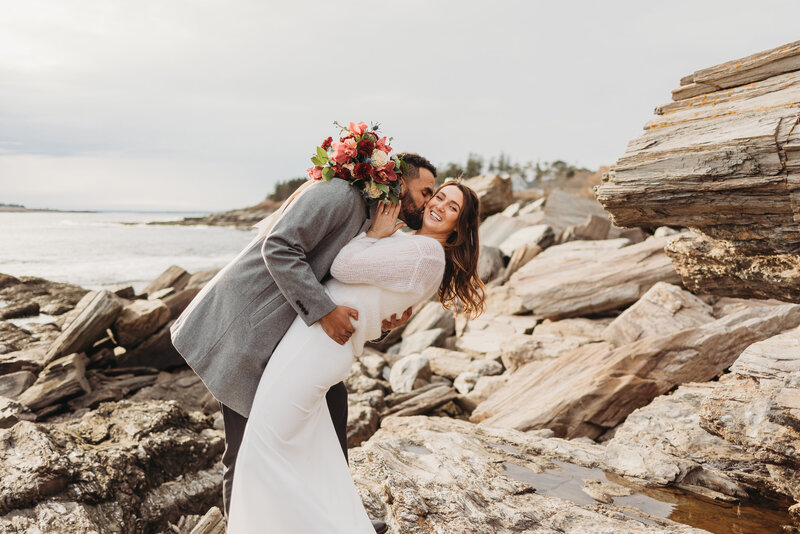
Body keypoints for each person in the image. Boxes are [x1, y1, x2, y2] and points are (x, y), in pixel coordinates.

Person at [170, 153, 437, 534]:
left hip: (295, 338)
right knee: (246, 448)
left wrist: (385, 324)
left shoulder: (379, 223)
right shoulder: (340, 194)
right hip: (248, 328)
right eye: (425, 191)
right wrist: (325, 311)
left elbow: (350, 290)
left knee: (333, 411)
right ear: (400, 180)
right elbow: (279, 248)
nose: (428, 202)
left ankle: (335, 519)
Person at [226, 181, 485, 533]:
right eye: (438, 196)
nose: (438, 205)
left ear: (459, 227)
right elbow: (374, 305)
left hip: (316, 348)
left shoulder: (425, 253)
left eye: (452, 207)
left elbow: (344, 266)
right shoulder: (415, 246)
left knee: (263, 447)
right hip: (318, 345)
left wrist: (375, 233)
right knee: (314, 458)